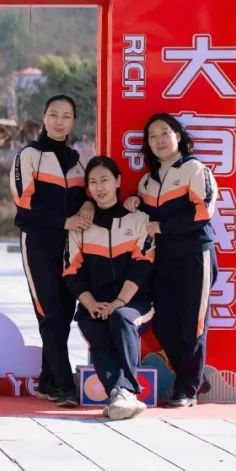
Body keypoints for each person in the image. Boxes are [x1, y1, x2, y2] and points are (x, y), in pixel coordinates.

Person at [128, 113, 217, 408]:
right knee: (163, 323)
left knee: (193, 324)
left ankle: (186, 389)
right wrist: (133, 203)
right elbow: (143, 222)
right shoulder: (146, 182)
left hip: (195, 255)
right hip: (162, 261)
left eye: (164, 133)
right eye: (152, 136)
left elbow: (203, 210)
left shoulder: (195, 168)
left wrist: (163, 227)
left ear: (178, 135)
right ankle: (194, 378)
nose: (159, 140)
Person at [11, 94, 93, 407]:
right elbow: (24, 201)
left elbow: (91, 193)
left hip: (71, 247)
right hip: (39, 244)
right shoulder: (28, 155)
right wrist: (65, 221)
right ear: (44, 117)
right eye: (54, 114)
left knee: (64, 315)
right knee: (49, 314)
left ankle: (47, 381)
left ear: (74, 122)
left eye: (66, 116)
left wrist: (88, 205)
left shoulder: (78, 160)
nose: (59, 122)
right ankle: (64, 386)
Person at [64, 156, 154, 420]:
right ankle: (121, 394)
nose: (99, 187)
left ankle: (125, 392)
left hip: (135, 303)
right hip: (94, 303)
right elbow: (71, 272)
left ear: (117, 181)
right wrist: (91, 304)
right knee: (95, 328)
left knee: (120, 318)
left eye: (104, 180)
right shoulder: (80, 227)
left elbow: (142, 265)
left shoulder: (139, 220)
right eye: (93, 182)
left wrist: (119, 302)